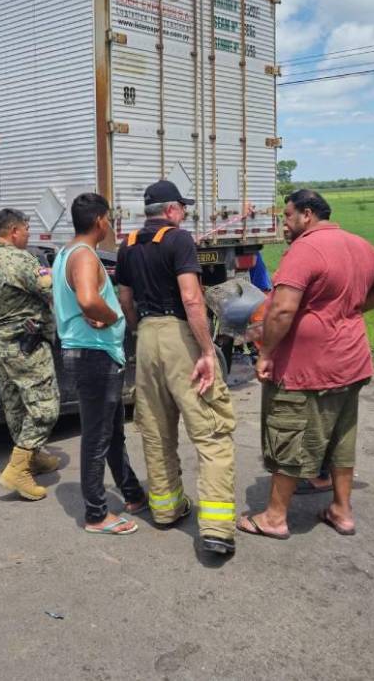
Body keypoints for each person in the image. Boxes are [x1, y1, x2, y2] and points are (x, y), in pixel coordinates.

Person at [240, 190, 374, 540]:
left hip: (307, 367)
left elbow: (282, 310)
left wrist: (266, 353)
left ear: (307, 214)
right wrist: (351, 309)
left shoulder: (305, 249)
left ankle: (274, 517)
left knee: (289, 432)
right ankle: (341, 511)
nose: (284, 222)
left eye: (287, 215)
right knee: (341, 436)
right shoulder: (357, 243)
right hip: (351, 361)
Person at [116, 180, 237, 557]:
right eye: (182, 207)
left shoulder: (128, 244)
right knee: (211, 429)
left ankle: (166, 508)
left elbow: (125, 299)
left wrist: (142, 331)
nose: (184, 213)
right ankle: (217, 528)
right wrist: (206, 350)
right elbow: (191, 297)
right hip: (178, 336)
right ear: (170, 210)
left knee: (155, 429)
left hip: (147, 337)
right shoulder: (179, 240)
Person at [53, 193, 146, 535]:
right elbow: (88, 299)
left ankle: (132, 492)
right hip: (94, 355)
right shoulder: (84, 256)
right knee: (96, 436)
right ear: (99, 221)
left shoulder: (66, 253)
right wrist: (111, 317)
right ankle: (96, 514)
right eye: (109, 218)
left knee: (112, 431)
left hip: (93, 354)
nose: (111, 224)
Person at [0, 208, 61, 500]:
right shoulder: (18, 259)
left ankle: (32, 457)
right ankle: (19, 470)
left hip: (2, 342)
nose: (29, 234)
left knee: (16, 403)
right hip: (24, 345)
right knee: (45, 407)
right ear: (14, 231)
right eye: (27, 229)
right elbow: (51, 289)